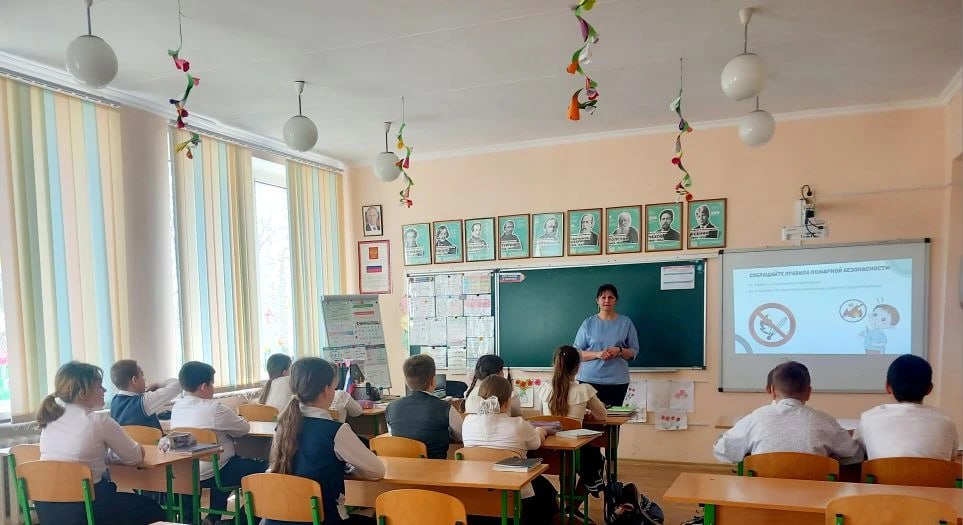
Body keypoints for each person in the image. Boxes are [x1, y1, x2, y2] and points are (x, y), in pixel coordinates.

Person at [37, 362, 165, 525]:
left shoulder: (50, 419)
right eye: (99, 387)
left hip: (48, 509)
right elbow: (135, 458)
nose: (104, 390)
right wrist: (138, 449)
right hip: (86, 509)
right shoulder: (99, 421)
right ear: (83, 393)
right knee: (152, 509)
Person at [265, 357, 383, 525]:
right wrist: (351, 469)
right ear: (327, 390)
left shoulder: (282, 426)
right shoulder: (335, 430)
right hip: (323, 518)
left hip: (279, 517)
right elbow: (377, 471)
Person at [171, 361, 267, 524]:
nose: (213, 388)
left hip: (187, 472)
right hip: (217, 472)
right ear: (203, 387)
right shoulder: (215, 409)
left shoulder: (177, 407)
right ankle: (239, 520)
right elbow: (243, 429)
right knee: (265, 472)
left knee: (228, 464)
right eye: (212, 384)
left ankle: (212, 518)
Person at [713, 361, 863, 464]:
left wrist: (748, 457)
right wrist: (832, 460)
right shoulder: (824, 421)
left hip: (761, 495)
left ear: (772, 390)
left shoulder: (756, 418)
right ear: (809, 392)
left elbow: (722, 450)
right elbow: (855, 454)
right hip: (814, 496)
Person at [462, 376, 559, 525]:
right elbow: (536, 443)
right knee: (546, 491)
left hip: (475, 492)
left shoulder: (467, 422)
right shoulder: (518, 425)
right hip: (513, 493)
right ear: (508, 401)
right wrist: (541, 430)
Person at [854, 355, 958, 460]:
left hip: (885, 471)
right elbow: (952, 456)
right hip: (934, 471)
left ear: (887, 387)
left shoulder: (868, 418)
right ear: (929, 389)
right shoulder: (946, 422)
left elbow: (857, 453)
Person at [536, 346, 607, 499]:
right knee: (596, 458)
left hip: (548, 451)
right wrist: (584, 411)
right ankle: (572, 506)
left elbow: (543, 417)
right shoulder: (584, 390)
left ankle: (567, 505)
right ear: (577, 367)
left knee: (570, 463)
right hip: (576, 452)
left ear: (555, 364)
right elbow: (602, 415)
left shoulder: (545, 388)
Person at [573, 284, 640, 406]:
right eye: (603, 297)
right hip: (589, 381)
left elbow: (633, 352)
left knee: (613, 417)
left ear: (616, 300)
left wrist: (619, 350)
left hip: (617, 381)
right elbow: (576, 353)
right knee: (589, 417)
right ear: (597, 300)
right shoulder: (588, 323)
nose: (607, 300)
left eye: (611, 297)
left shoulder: (626, 322)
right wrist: (597, 354)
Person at [385, 355, 463, 459]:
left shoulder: (391, 408)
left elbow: (394, 435)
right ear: (433, 381)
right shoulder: (445, 408)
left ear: (406, 382)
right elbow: (461, 435)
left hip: (402, 466)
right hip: (436, 466)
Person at [109, 359, 182, 430]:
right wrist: (157, 384)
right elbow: (179, 384)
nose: (145, 379)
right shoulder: (144, 402)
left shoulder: (114, 402)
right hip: (153, 439)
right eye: (142, 375)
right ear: (135, 380)